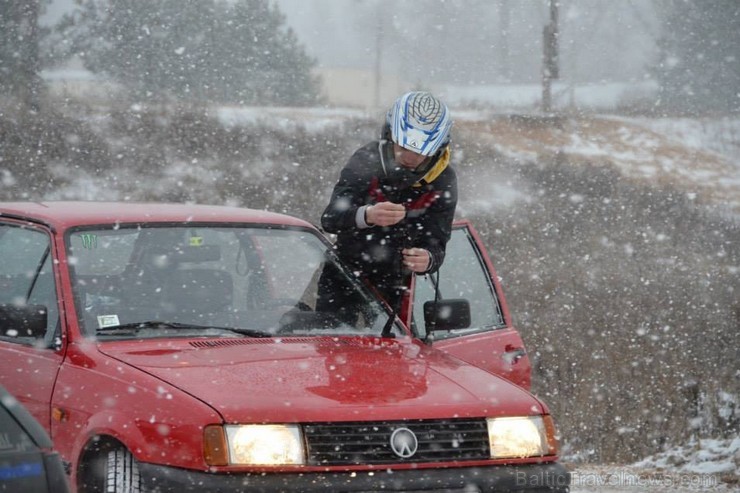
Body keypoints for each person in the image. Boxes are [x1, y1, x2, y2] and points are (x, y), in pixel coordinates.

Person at [319, 91, 458, 314]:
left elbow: (437, 242)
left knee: (394, 345)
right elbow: (330, 218)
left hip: (396, 283)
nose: (410, 159)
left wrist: (428, 260)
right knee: (332, 340)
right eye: (403, 148)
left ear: (436, 150)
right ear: (390, 135)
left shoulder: (444, 179)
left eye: (421, 153)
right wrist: (367, 215)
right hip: (344, 273)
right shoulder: (366, 160)